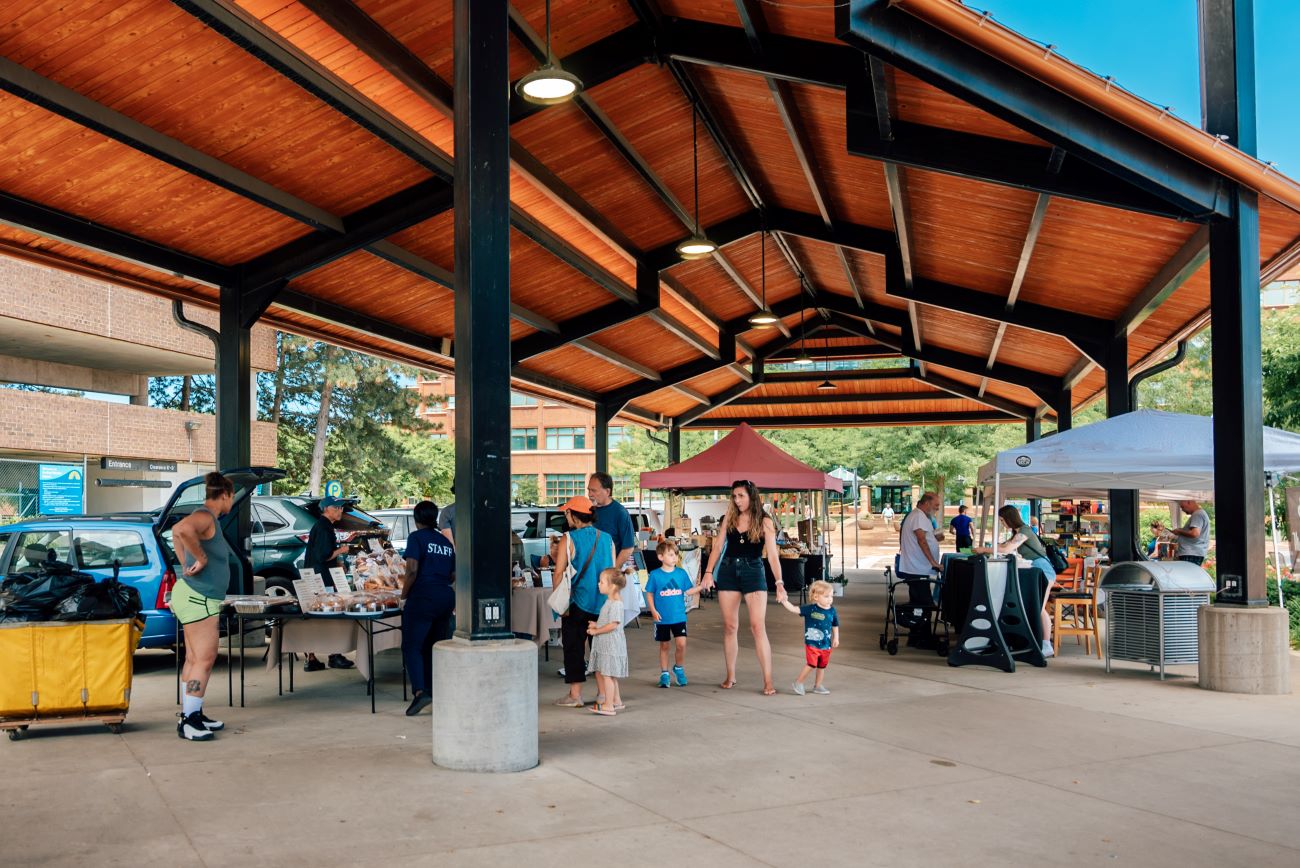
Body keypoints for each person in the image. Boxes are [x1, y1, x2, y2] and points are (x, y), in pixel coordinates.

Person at [700, 480, 786, 695]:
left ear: (751, 496)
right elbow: (718, 546)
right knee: (730, 627)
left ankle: (768, 680)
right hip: (728, 572)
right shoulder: (729, 518)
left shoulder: (765, 521)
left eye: (741, 496)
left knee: (758, 627)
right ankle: (730, 675)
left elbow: (773, 556)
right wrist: (708, 573)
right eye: (734, 496)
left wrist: (779, 582)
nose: (737, 500)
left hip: (753, 572)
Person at [169, 472, 236, 741]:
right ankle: (189, 720)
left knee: (194, 659)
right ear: (225, 495)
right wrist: (200, 558)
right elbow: (183, 529)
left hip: (194, 595)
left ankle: (192, 712)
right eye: (232, 498)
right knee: (205, 660)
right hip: (200, 598)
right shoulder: (206, 515)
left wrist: (185, 560)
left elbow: (175, 532)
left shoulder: (209, 519)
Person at [553, 496, 615, 707]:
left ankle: (575, 695)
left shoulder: (568, 539)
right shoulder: (607, 538)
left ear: (572, 514)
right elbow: (613, 572)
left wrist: (559, 602)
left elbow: (559, 574)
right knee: (601, 648)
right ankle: (603, 694)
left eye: (566, 513)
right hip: (604, 604)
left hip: (577, 603)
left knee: (574, 647)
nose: (565, 516)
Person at [974, 505, 1057, 658]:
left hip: (1042, 569)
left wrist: (984, 550)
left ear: (1008, 518)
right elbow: (1004, 546)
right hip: (1036, 570)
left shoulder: (1024, 530)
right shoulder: (1017, 532)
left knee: (1038, 608)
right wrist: (987, 548)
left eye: (1001, 519)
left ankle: (1045, 644)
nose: (1001, 523)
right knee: (1038, 607)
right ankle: (1042, 643)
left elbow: (1006, 549)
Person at [400, 500, 455, 716]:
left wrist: (404, 596)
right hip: (445, 597)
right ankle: (434, 689)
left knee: (412, 646)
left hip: (423, 597)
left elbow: (411, 569)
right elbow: (453, 574)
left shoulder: (416, 538)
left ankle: (420, 692)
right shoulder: (445, 543)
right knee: (433, 645)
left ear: (417, 519)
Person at [303, 495, 355, 672]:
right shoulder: (325, 528)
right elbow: (323, 555)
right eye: (337, 507)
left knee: (314, 618)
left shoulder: (320, 526)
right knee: (332, 617)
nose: (340, 511)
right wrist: (342, 549)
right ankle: (334, 655)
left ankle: (312, 658)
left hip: (314, 577)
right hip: (322, 580)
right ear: (327, 509)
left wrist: (337, 561)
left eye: (341, 508)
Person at [644, 540, 702, 688]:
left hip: (679, 617)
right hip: (662, 618)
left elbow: (688, 591)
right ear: (660, 557)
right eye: (670, 555)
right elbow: (649, 594)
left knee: (681, 644)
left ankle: (679, 668)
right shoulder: (655, 575)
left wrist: (702, 586)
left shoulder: (681, 574)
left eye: (676, 554)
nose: (675, 557)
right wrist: (653, 611)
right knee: (664, 646)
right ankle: (664, 674)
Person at [897, 492, 943, 646]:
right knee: (924, 604)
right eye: (936, 505)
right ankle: (922, 638)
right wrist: (933, 562)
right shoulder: (918, 516)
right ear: (927, 503)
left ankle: (917, 635)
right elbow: (922, 540)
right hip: (917, 568)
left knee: (919, 602)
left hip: (917, 567)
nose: (937, 508)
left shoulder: (921, 516)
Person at [779, 580, 840, 695]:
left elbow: (835, 625)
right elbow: (794, 609)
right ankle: (798, 682)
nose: (830, 599)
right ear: (816, 597)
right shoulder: (810, 609)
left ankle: (817, 686)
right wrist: (784, 601)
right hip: (812, 643)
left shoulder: (832, 611)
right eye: (826, 596)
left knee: (822, 666)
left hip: (826, 644)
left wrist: (836, 638)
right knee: (811, 664)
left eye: (831, 596)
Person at [586, 568, 628, 716]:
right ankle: (616, 700)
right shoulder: (610, 601)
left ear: (612, 586)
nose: (599, 584)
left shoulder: (616, 603)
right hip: (607, 643)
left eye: (602, 582)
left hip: (611, 644)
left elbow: (613, 625)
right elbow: (608, 621)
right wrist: (597, 624)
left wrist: (596, 631)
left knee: (607, 676)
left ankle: (608, 705)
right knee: (610, 674)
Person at [588, 472, 635, 569]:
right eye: (589, 490)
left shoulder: (620, 513)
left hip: (609, 572)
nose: (590, 494)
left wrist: (613, 571)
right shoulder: (587, 511)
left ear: (607, 491)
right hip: (588, 571)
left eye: (594, 491)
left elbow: (628, 548)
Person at [1153, 500, 1211, 565]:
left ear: (1189, 502)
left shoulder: (1197, 514)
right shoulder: (1200, 514)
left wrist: (1179, 531)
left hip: (1191, 553)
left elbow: (1195, 533)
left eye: (1182, 507)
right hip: (1193, 553)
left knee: (1187, 574)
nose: (1182, 509)